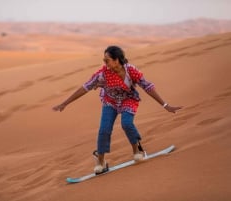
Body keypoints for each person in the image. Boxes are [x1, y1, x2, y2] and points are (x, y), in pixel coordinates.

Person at [53, 46, 182, 174]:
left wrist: (165, 105)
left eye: (107, 60)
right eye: (104, 60)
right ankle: (101, 162)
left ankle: (137, 151)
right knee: (104, 129)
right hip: (110, 101)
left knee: (126, 123)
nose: (104, 63)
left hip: (128, 99)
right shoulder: (102, 74)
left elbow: (147, 86)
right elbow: (85, 87)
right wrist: (64, 103)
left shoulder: (131, 71)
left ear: (116, 60)